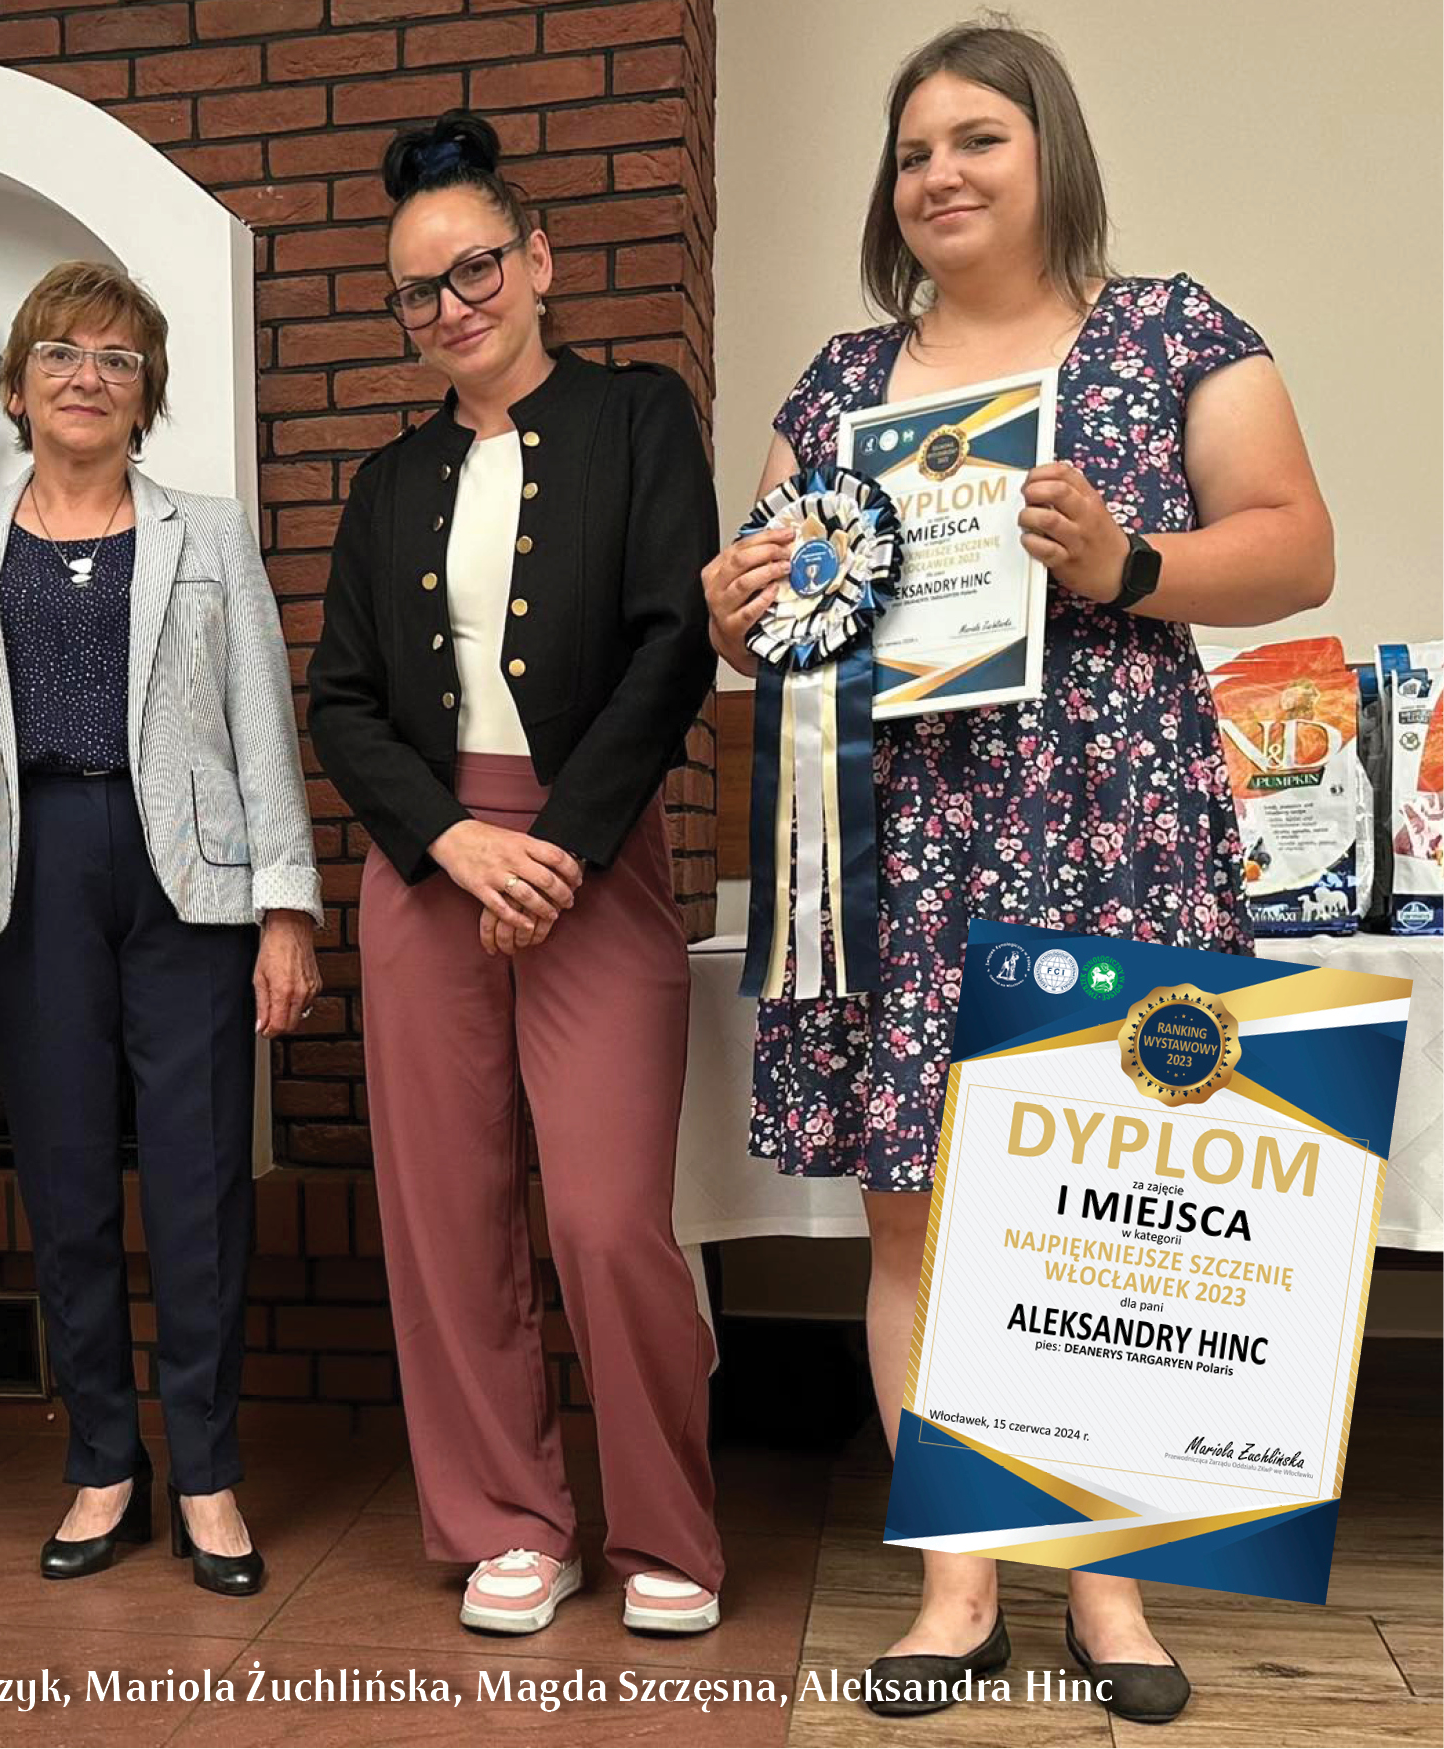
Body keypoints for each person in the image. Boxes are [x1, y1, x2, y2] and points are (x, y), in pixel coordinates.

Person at [702, 23, 1333, 1725]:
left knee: (1109, 1205)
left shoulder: (1172, 333)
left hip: (1108, 821)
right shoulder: (836, 385)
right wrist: (735, 607)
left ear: (1049, 148)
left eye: (975, 138)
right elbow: (769, 601)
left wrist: (1129, 561)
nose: (939, 175)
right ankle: (957, 1584)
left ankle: (1107, 1591)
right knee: (912, 1212)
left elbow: (1293, 544)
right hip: (897, 844)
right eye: (912, 151)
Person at [307, 109, 723, 1639]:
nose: (451, 304)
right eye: (417, 290)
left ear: (537, 260)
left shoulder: (639, 418)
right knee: (448, 1214)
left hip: (589, 855)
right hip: (429, 867)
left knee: (606, 1216)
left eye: (474, 267)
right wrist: (452, 839)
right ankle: (506, 1518)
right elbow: (340, 701)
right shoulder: (384, 482)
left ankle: (665, 1523)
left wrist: (557, 842)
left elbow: (674, 644)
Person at [0, 262, 320, 1596]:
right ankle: (104, 1460)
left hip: (190, 884)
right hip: (27, 869)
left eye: (117, 358)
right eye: (60, 352)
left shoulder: (207, 533)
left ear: (147, 390)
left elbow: (260, 720)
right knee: (63, 1180)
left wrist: (286, 906)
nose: (87, 377)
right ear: (16, 385)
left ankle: (207, 1472)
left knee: (198, 1179)